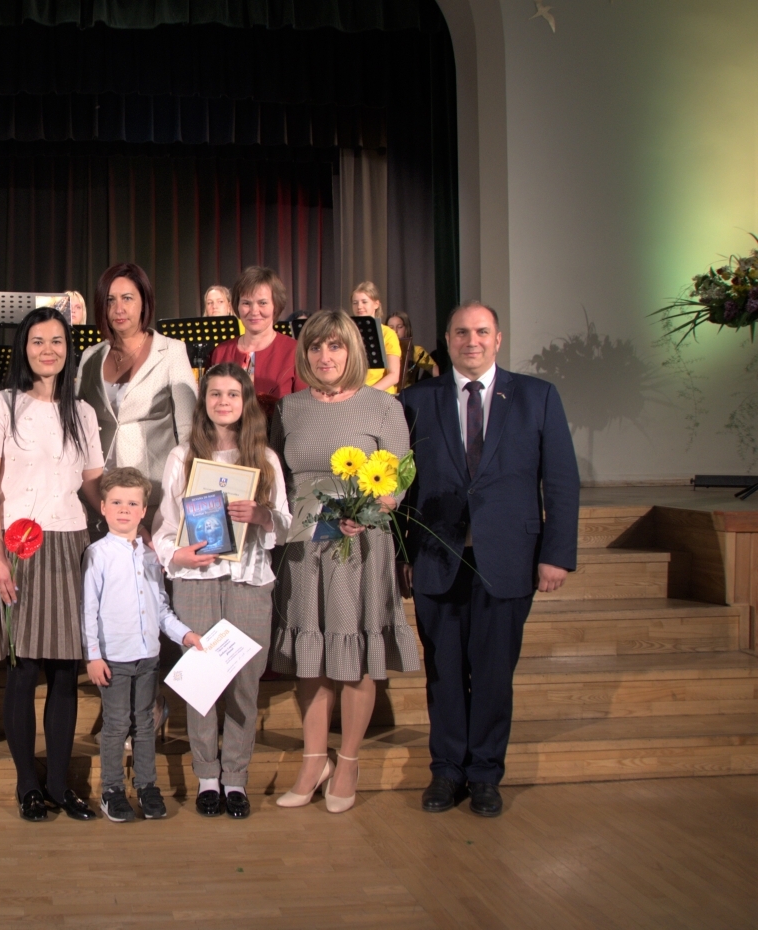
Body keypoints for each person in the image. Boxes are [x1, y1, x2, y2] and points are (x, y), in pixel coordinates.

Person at [401, 302, 579, 818]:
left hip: (509, 559)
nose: (471, 340)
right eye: (461, 332)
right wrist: (403, 555)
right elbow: (400, 485)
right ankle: (446, 771)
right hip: (437, 558)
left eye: (481, 332)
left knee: (495, 674)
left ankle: (484, 774)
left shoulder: (536, 397)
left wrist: (556, 555)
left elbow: (561, 482)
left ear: (498, 339)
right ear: (448, 339)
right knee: (444, 672)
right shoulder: (416, 399)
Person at [270, 309, 420, 814]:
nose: (325, 356)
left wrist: (376, 508)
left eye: (335, 346)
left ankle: (349, 760)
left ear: (353, 351)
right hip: (302, 546)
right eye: (316, 347)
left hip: (358, 545)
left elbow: (399, 475)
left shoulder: (382, 406)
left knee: (354, 651)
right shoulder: (289, 408)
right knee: (310, 656)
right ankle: (315, 759)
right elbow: (274, 475)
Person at [0, 307, 104, 823]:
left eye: (56, 340)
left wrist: (128, 519)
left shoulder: (84, 412)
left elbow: (93, 484)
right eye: (37, 340)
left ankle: (58, 783)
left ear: (68, 348)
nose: (47, 349)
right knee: (24, 669)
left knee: (66, 672)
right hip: (19, 545)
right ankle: (27, 783)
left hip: (71, 543)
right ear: (22, 348)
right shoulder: (0, 406)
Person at [154, 363, 292, 819]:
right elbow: (163, 529)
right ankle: (207, 777)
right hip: (197, 581)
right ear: (204, 401)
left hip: (249, 580)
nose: (223, 402)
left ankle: (236, 777)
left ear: (246, 402)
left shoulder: (265, 460)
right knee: (202, 684)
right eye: (215, 394)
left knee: (244, 685)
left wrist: (262, 516)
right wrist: (178, 556)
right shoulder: (182, 457)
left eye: (232, 394)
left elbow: (287, 527)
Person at [85, 467, 204, 822]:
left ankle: (148, 786)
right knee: (117, 724)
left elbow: (161, 608)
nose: (124, 509)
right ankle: (112, 789)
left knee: (145, 723)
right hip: (114, 659)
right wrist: (92, 656)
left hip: (148, 657)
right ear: (103, 507)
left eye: (132, 503)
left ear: (143, 511)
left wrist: (185, 634)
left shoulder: (152, 556)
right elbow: (88, 610)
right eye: (117, 502)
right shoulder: (97, 554)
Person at [77, 263, 198, 528]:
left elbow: (189, 430)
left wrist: (185, 491)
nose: (118, 309)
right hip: (100, 492)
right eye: (110, 301)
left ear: (144, 302)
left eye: (127, 298)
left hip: (154, 492)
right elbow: (76, 424)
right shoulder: (91, 357)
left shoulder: (172, 352)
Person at [208, 266, 308, 423]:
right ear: (237, 306)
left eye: (262, 303)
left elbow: (304, 411)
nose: (254, 311)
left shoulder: (295, 351)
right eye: (246, 303)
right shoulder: (221, 352)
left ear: (276, 305)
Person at [349, 281, 402, 394]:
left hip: (379, 394)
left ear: (376, 304)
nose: (359, 306)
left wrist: (367, 394)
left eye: (364, 302)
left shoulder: (388, 334)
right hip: (351, 394)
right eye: (355, 303)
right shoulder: (347, 333)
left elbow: (393, 375)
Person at [386, 312, 438, 391]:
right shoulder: (382, 350)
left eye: (399, 327)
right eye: (391, 328)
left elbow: (433, 368)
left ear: (407, 328)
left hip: (407, 395)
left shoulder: (416, 351)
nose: (395, 331)